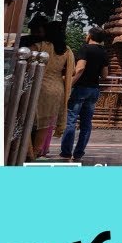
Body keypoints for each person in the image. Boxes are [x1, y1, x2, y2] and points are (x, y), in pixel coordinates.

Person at [59, 27, 110, 162]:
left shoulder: (85, 49)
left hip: (80, 88)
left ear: (90, 36)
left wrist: (69, 84)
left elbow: (80, 68)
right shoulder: (104, 52)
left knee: (71, 121)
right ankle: (79, 153)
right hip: (94, 89)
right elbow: (105, 74)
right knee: (86, 124)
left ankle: (66, 153)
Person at [28, 18, 75, 160]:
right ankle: (35, 154)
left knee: (27, 121)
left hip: (38, 87)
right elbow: (71, 72)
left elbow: (25, 63)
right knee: (44, 124)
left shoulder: (39, 46)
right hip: (57, 89)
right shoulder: (67, 50)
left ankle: (26, 152)